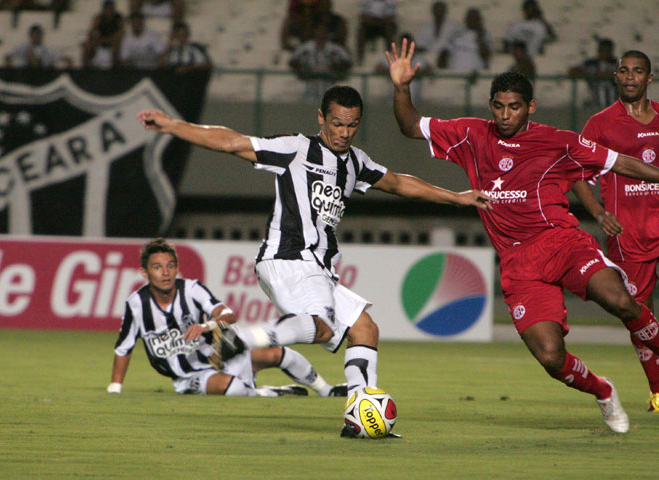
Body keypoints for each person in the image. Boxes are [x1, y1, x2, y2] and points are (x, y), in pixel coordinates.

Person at [136, 85, 491, 435]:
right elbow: (231, 141)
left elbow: (399, 183)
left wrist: (457, 198)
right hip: (288, 257)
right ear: (321, 117)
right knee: (320, 326)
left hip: (318, 268)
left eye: (352, 125)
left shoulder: (355, 162)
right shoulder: (296, 148)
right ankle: (243, 337)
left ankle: (358, 413)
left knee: (364, 329)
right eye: (337, 123)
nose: (344, 132)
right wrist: (171, 125)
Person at [387, 39, 659, 434]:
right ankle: (602, 390)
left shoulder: (559, 141)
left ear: (530, 107)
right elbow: (410, 126)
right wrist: (401, 87)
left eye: (514, 107)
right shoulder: (470, 135)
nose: (504, 115)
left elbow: (622, 163)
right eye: (498, 106)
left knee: (622, 301)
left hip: (564, 243)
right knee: (551, 357)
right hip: (519, 264)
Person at [108, 238, 348, 397]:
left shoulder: (191, 289)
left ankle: (327, 391)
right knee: (232, 389)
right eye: (158, 267)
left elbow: (228, 315)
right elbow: (124, 348)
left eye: (170, 265)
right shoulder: (136, 304)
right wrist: (115, 388)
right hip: (190, 376)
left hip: (218, 356)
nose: (165, 272)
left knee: (280, 353)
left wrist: (206, 325)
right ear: (144, 272)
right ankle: (270, 392)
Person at [572, 50, 659, 412]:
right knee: (638, 313)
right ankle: (658, 391)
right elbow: (575, 172)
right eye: (624, 71)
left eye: (637, 71)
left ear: (649, 78)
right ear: (616, 77)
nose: (630, 77)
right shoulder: (601, 124)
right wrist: (597, 211)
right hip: (630, 234)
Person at [289, 22, 352, 99]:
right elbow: (293, 61)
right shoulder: (307, 47)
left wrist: (336, 67)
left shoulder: (334, 48)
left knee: (327, 103)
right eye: (319, 30)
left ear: (327, 33)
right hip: (310, 83)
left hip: (329, 82)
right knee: (310, 103)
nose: (321, 33)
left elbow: (347, 62)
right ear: (315, 32)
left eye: (323, 31)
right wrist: (302, 70)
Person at [436, 7, 491, 73]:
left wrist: (479, 38)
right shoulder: (457, 34)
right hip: (455, 72)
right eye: (470, 18)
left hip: (475, 73)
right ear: (466, 20)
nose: (472, 21)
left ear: (480, 20)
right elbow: (444, 52)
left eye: (475, 19)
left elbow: (486, 56)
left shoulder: (484, 35)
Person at [568, 38, 618, 110]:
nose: (605, 53)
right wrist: (590, 75)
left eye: (607, 50)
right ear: (598, 50)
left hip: (614, 105)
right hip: (595, 106)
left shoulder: (617, 63)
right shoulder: (590, 64)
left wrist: (609, 75)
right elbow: (572, 71)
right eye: (602, 50)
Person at [4, 23, 71, 68]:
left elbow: (65, 59)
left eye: (38, 34)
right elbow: (8, 56)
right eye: (34, 34)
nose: (36, 36)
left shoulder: (47, 49)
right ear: (30, 35)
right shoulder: (22, 47)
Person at [82, 0, 124, 69]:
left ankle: (115, 69)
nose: (109, 11)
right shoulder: (99, 18)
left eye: (110, 8)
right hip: (101, 42)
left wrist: (105, 40)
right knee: (88, 46)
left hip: (113, 42)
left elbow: (120, 34)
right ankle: (86, 69)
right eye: (107, 9)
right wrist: (95, 27)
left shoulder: (119, 18)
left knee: (116, 46)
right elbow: (90, 33)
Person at [356, 0, 397, 65]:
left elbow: (391, 17)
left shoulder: (390, 2)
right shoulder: (365, 2)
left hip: (383, 26)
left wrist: (379, 22)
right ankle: (359, 60)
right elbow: (363, 17)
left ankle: (390, 59)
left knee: (390, 30)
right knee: (361, 32)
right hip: (369, 25)